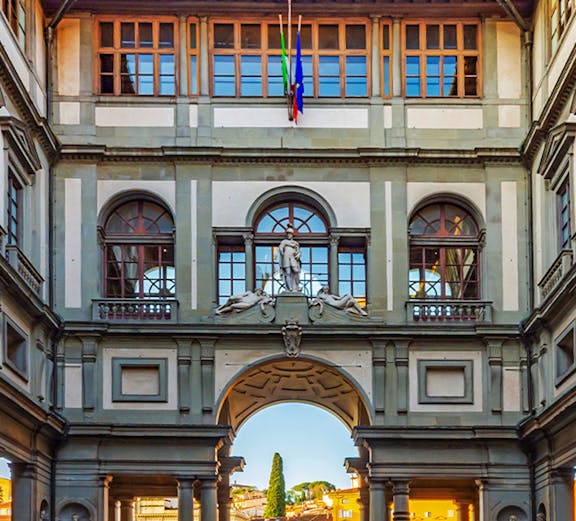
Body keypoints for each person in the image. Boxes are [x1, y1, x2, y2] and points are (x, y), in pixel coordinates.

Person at [278, 226, 301, 292]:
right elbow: (281, 247)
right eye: (288, 234)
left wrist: (298, 254)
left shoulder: (296, 243)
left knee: (295, 270)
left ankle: (296, 286)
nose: (288, 235)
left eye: (290, 234)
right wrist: (281, 251)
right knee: (287, 272)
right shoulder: (284, 241)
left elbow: (298, 251)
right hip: (286, 257)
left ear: (292, 235)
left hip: (293, 257)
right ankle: (289, 287)